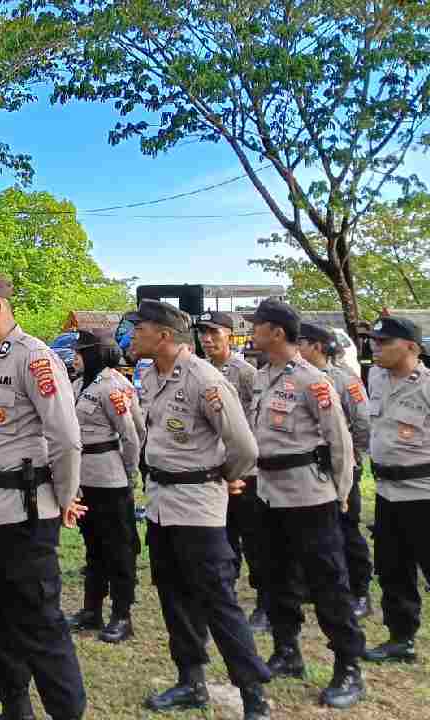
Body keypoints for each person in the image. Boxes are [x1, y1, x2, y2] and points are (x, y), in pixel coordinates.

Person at [0, 272, 87, 720]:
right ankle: (15, 705)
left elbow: (65, 438)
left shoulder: (35, 359)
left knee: (38, 621)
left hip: (24, 513)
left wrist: (64, 498)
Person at [127, 299, 272, 720]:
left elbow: (244, 447)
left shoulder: (204, 379)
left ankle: (252, 695)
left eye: (140, 328)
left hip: (197, 507)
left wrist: (219, 476)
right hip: (161, 504)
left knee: (217, 600)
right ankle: (190, 680)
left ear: (163, 336)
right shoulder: (152, 375)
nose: (133, 335)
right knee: (174, 596)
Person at [249, 300, 365, 709]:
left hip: (309, 497)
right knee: (276, 577)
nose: (252, 332)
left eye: (257, 326)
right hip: (268, 493)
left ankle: (348, 666)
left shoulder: (312, 380)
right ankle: (287, 650)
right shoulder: (262, 377)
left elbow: (340, 440)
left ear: (277, 332)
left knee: (328, 583)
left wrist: (341, 493)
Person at [65, 331, 141, 644]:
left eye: (80, 353)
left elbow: (131, 435)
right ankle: (91, 610)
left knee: (118, 550)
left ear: (95, 354)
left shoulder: (112, 386)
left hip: (109, 478)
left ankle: (122, 615)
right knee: (93, 547)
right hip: (83, 479)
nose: (75, 358)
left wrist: (128, 473)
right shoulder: (77, 385)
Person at [361, 316, 430, 664]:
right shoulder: (376, 377)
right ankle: (401, 639)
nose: (375, 347)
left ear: (411, 347)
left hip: (423, 494)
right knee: (393, 569)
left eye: (384, 342)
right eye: (374, 341)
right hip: (387, 491)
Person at [196, 311, 268, 630]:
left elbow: (256, 422)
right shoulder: (200, 370)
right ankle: (225, 598)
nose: (207, 339)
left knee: (255, 540)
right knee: (222, 539)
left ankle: (265, 604)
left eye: (214, 332)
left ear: (230, 335)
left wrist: (243, 468)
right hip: (214, 470)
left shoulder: (246, 373)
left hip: (245, 471)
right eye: (203, 333)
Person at [299, 322, 374, 618]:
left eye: (301, 342)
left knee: (346, 527)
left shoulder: (344, 380)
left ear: (316, 346)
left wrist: (352, 455)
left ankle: (360, 591)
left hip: (341, 464)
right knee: (315, 528)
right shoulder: (298, 378)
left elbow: (363, 422)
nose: (297, 348)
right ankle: (317, 585)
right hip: (311, 467)